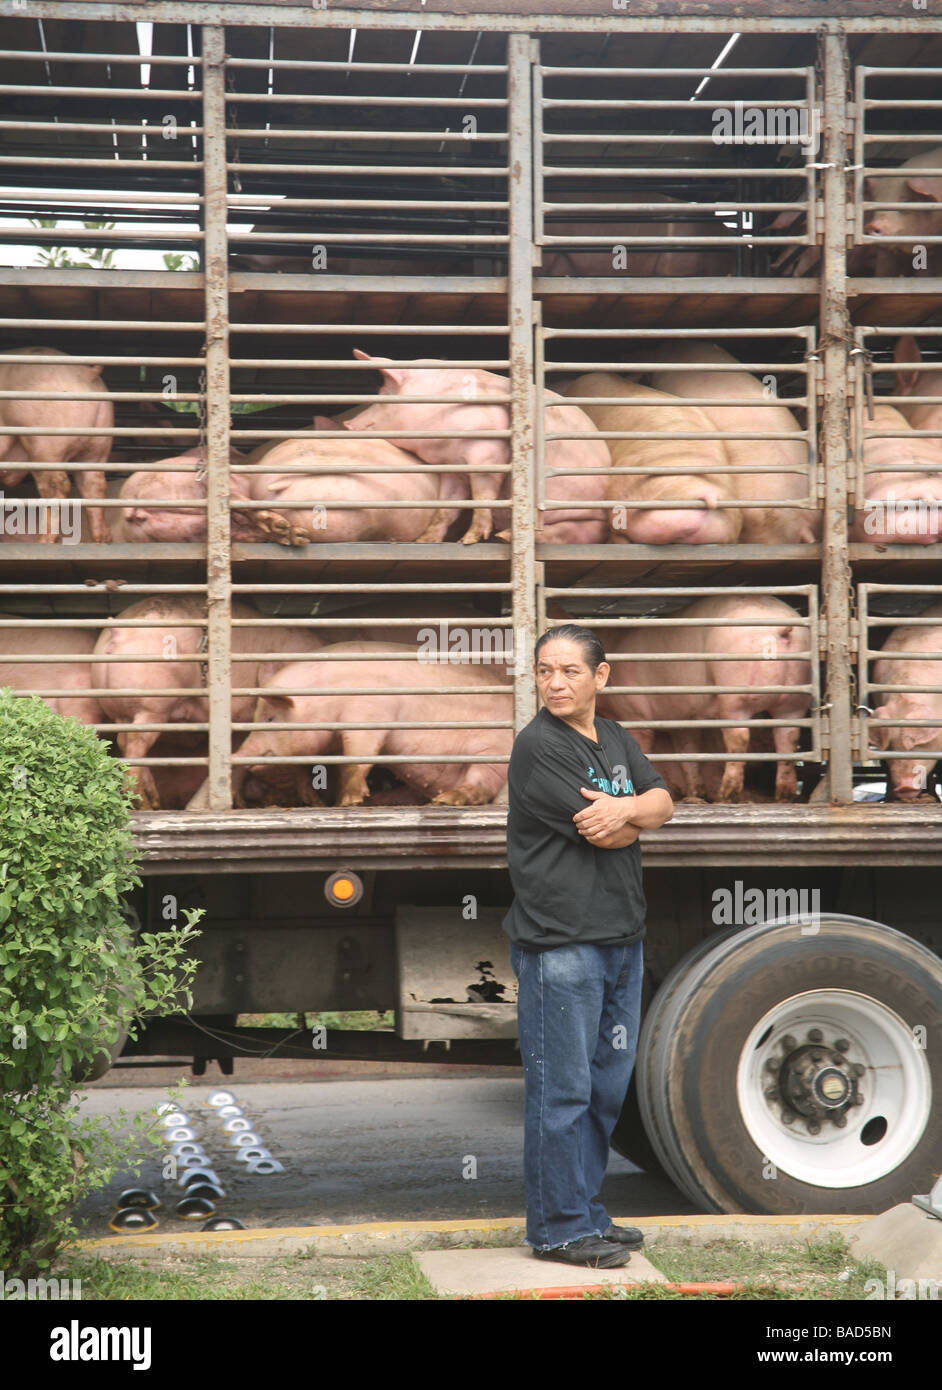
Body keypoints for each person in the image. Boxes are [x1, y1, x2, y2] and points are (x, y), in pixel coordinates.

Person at [502, 623, 674, 1268]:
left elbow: (665, 802)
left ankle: (586, 1210)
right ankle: (558, 1227)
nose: (556, 682)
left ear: (600, 677)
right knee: (561, 1091)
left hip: (619, 941)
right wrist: (634, 817)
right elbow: (603, 832)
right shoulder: (538, 748)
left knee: (604, 1089)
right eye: (546, 670)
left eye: (570, 671)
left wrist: (631, 810)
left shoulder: (618, 739)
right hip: (562, 945)